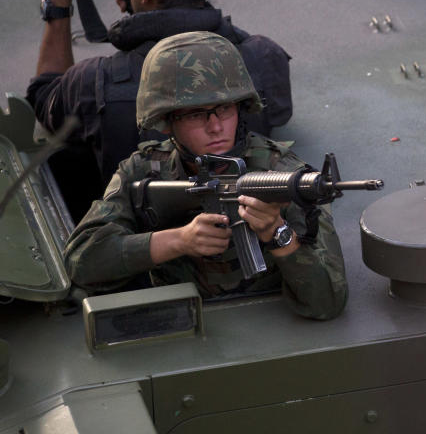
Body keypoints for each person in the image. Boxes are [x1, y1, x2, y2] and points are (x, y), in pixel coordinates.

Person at [63, 32, 345, 320]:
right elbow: (79, 262)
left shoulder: (284, 174)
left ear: (240, 108)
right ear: (166, 121)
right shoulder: (144, 170)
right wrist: (178, 240)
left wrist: (279, 234)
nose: (215, 126)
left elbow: (328, 302)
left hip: (267, 325)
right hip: (180, 326)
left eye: (224, 108)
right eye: (196, 114)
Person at [27, 0, 292, 220]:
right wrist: (144, 12)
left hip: (145, 243)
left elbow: (44, 95)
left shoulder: (92, 81)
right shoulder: (265, 58)